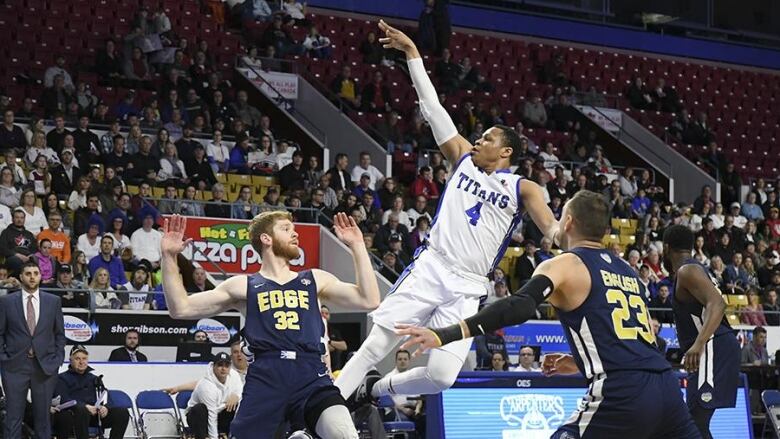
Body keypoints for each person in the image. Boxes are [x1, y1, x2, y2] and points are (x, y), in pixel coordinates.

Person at [335, 22, 559, 404]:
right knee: (376, 344)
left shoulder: (523, 187)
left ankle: (376, 389)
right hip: (432, 266)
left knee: (441, 376)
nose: (478, 139)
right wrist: (412, 55)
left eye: (488, 137)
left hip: (469, 285)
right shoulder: (462, 159)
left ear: (506, 152)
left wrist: (561, 237)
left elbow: (551, 228)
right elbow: (432, 107)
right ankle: (320, 412)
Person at [397, 190, 700, 438]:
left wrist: (446, 333)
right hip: (667, 388)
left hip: (623, 392)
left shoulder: (565, 263)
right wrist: (580, 361)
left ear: (567, 222)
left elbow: (519, 305)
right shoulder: (628, 272)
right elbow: (640, 341)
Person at [160, 212, 381, 438]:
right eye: (286, 229)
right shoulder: (244, 285)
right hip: (266, 377)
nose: (295, 233)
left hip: (310, 374)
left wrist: (357, 245)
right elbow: (181, 308)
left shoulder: (314, 278)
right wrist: (168, 256)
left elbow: (369, 299)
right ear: (266, 239)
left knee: (344, 434)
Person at [662, 225, 740, 438]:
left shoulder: (688, 270)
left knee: (695, 422)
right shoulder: (694, 269)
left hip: (713, 346)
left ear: (666, 248)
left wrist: (698, 344)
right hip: (713, 347)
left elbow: (718, 304)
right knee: (694, 422)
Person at [0, 261, 66, 439]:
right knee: (12, 418)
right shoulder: (6, 302)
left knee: (43, 420)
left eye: (35, 273)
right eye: (28, 273)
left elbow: (60, 334)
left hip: (45, 368)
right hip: (14, 368)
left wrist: (57, 358)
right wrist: (4, 358)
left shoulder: (53, 301)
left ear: (40, 276)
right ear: (21, 277)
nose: (32, 276)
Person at [51, 345, 130, 439]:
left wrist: (105, 407)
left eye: (84, 358)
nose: (81, 362)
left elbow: (105, 396)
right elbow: (63, 399)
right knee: (82, 410)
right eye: (77, 359)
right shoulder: (61, 378)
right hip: (75, 415)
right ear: (70, 360)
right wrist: (85, 406)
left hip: (95, 415)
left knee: (122, 413)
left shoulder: (94, 378)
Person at [186, 351, 244, 439]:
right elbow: (211, 414)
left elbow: (242, 392)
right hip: (198, 417)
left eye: (226, 365)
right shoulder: (206, 385)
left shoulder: (234, 376)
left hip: (219, 413)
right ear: (213, 366)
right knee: (200, 409)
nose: (223, 368)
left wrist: (236, 396)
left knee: (235, 405)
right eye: (220, 365)